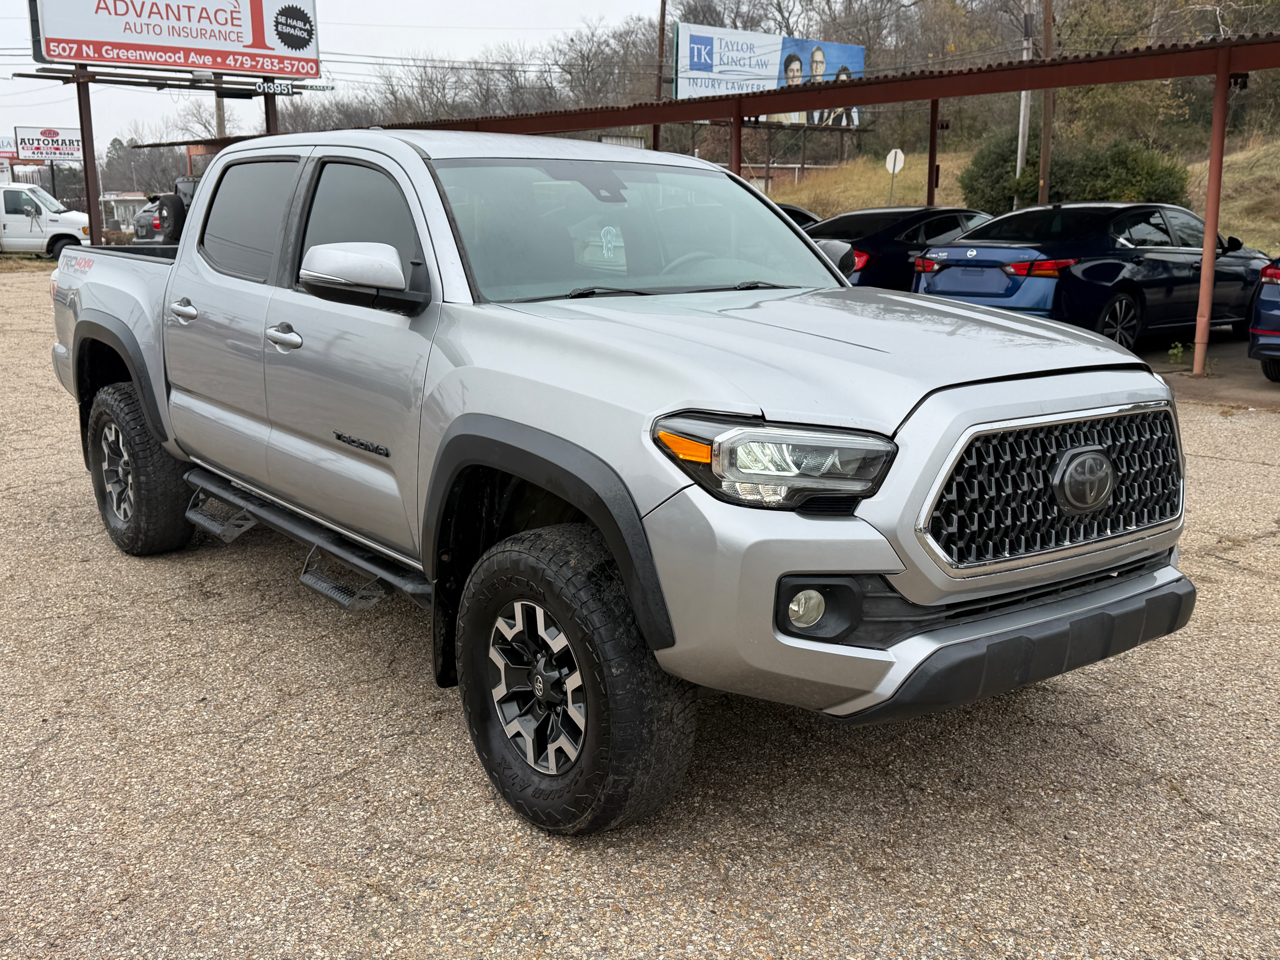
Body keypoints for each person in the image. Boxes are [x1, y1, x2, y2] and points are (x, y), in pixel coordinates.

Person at [768, 53, 805, 124]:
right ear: (785, 75)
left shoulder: (804, 104)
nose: (794, 75)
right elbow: (770, 131)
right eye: (791, 71)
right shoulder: (775, 104)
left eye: (797, 71)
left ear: (801, 75)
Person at [806, 47, 828, 125]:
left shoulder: (829, 91)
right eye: (815, 62)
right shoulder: (803, 89)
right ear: (810, 64)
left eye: (820, 62)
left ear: (824, 65)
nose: (817, 66)